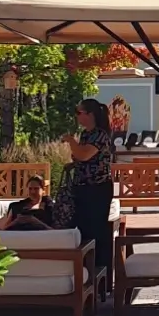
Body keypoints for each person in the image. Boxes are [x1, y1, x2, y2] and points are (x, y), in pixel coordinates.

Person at [64, 99, 117, 273]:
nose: (76, 116)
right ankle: (86, 270)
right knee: (83, 228)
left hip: (97, 189)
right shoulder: (87, 134)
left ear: (90, 115)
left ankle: (101, 272)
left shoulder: (99, 135)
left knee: (96, 230)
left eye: (79, 113)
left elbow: (84, 154)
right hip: (84, 188)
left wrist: (71, 141)